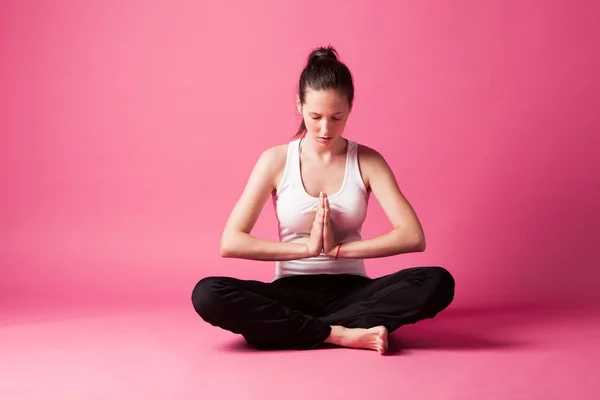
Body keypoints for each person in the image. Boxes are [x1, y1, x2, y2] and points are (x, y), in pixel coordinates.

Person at [191, 46, 455, 354]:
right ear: (299, 105)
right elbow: (231, 242)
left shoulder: (368, 161)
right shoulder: (275, 160)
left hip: (354, 292)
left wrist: (339, 250)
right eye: (315, 116)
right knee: (208, 293)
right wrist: (306, 250)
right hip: (290, 290)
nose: (325, 129)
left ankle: (291, 329)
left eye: (336, 117)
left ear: (349, 108)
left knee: (438, 281)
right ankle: (341, 333)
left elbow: (413, 236)